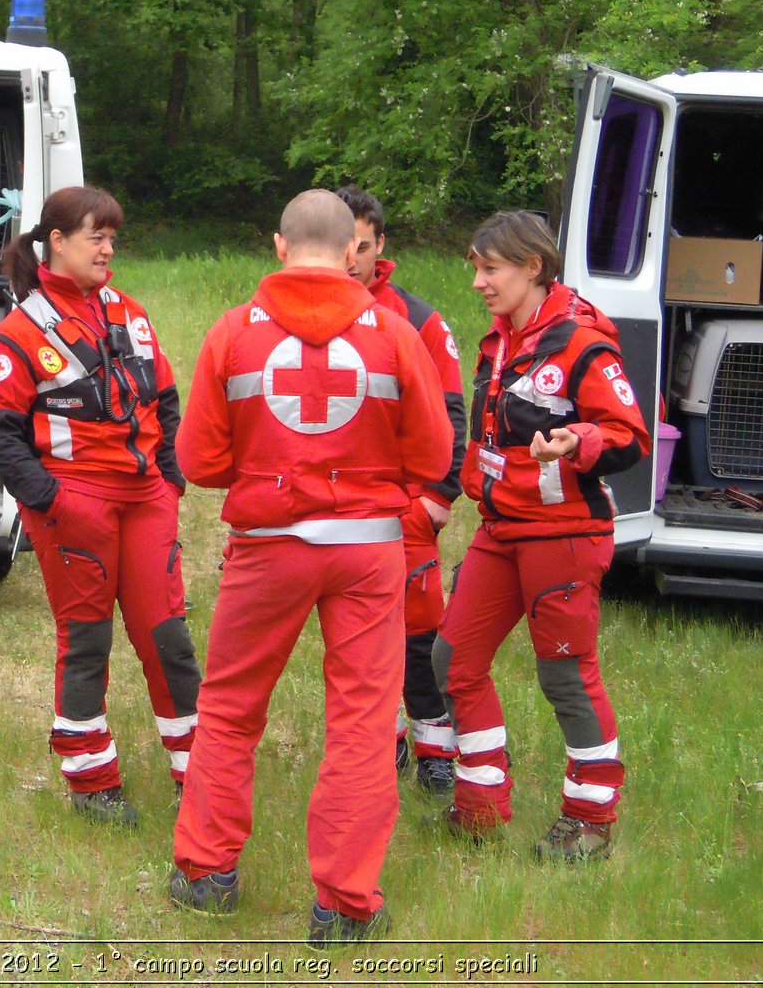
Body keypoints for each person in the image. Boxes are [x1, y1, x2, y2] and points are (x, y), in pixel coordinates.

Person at [167, 190, 452, 945]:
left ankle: (205, 873)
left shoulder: (232, 334)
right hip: (367, 548)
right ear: (351, 250)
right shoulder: (395, 335)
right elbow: (433, 458)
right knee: (362, 722)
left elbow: (198, 460)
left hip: (268, 547)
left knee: (228, 708)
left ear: (279, 246)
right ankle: (347, 905)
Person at [0, 184, 201, 827]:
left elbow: (166, 399)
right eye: (95, 236)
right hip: (76, 507)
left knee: (169, 638)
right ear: (56, 242)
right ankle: (92, 783)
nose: (108, 248)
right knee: (87, 641)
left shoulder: (129, 311)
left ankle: (198, 771)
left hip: (146, 499)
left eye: (112, 236)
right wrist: (51, 501)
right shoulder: (21, 330)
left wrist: (171, 479)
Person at [435, 210, 649, 862]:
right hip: (501, 530)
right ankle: (478, 806)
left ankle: (590, 821)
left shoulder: (583, 344)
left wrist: (577, 441)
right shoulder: (497, 342)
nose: (478, 281)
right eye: (475, 267)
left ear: (533, 267)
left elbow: (630, 437)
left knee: (565, 677)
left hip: (562, 536)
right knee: (453, 661)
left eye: (489, 268)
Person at [338, 187, 466, 794]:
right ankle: (380, 745)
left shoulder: (418, 321)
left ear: (380, 245)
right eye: (342, 245)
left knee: (418, 638)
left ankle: (436, 750)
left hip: (407, 510)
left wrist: (433, 506)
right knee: (358, 643)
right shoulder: (302, 315)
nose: (351, 258)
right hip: (340, 513)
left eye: (363, 245)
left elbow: (453, 420)